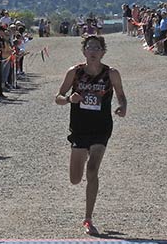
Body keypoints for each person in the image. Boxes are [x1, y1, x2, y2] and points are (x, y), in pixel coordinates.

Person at [55, 35, 127, 236]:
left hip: (101, 128)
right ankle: (82, 153)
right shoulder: (75, 72)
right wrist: (70, 98)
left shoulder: (111, 74)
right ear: (84, 52)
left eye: (97, 47)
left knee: (93, 169)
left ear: (103, 52)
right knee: (75, 179)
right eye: (89, 47)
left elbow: (121, 95)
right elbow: (58, 97)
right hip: (79, 128)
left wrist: (122, 107)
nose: (93, 51)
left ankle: (88, 218)